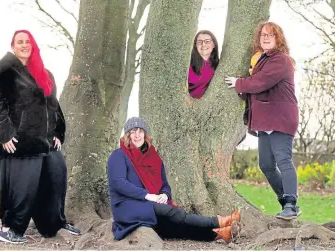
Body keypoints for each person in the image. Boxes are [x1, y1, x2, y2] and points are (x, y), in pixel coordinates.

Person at [0, 30, 79, 244]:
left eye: (28, 41)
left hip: (46, 142)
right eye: (20, 42)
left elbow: (54, 106)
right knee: (22, 187)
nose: (24, 45)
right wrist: (5, 134)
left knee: (57, 176)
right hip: (20, 142)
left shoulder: (44, 73)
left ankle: (53, 223)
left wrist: (58, 132)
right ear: (13, 46)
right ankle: (11, 229)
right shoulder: (5, 71)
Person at [107, 117, 241, 243]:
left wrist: (165, 195)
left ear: (145, 134)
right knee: (173, 213)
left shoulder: (153, 157)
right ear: (127, 136)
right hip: (127, 206)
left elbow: (165, 185)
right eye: (133, 132)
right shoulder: (118, 155)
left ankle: (219, 234)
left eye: (140, 131)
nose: (137, 135)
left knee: (173, 227)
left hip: (151, 203)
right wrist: (148, 196)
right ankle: (219, 221)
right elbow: (119, 183)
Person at [225, 22, 301, 220]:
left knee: (283, 160)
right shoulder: (262, 60)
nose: (266, 38)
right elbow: (255, 90)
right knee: (266, 164)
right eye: (262, 35)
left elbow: (261, 82)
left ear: (278, 39)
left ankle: (291, 204)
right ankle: (285, 201)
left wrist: (238, 83)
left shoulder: (281, 60)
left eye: (270, 35)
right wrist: (243, 89)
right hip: (266, 121)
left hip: (280, 118)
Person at [188, 30, 219, 99]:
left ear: (213, 44)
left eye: (207, 41)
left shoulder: (218, 65)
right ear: (195, 45)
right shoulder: (188, 64)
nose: (203, 44)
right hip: (187, 105)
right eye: (199, 42)